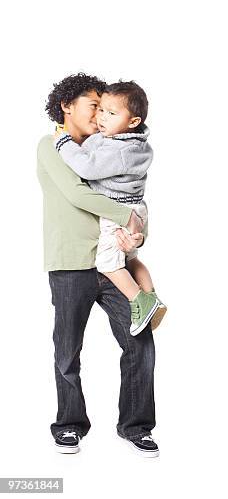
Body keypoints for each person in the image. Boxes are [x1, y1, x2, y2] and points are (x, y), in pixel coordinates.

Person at [37, 73, 160, 457]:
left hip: (113, 262)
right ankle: (70, 425)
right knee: (67, 349)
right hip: (71, 261)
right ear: (67, 107)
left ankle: (136, 426)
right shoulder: (50, 145)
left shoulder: (108, 146)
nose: (99, 113)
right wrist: (130, 220)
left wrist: (136, 234)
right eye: (94, 105)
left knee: (139, 342)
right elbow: (77, 193)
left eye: (105, 107)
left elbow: (131, 198)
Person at [53, 80, 166, 336]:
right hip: (134, 209)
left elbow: (87, 167)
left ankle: (141, 301)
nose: (101, 117)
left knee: (108, 264)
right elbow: (93, 149)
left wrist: (63, 143)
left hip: (117, 212)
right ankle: (153, 297)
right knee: (131, 259)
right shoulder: (127, 141)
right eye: (100, 109)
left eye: (110, 113)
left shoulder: (120, 149)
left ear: (133, 121)